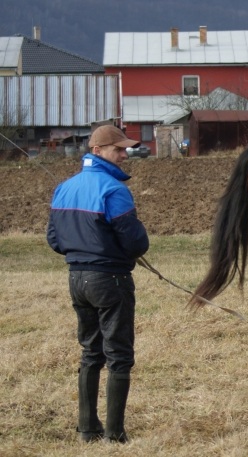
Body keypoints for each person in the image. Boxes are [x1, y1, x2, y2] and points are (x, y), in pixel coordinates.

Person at [47, 125, 149, 443]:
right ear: (97, 151)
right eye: (117, 150)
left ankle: (87, 430)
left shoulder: (64, 188)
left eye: (124, 149)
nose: (123, 155)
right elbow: (135, 242)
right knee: (119, 354)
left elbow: (54, 240)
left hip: (76, 278)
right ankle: (114, 434)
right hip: (110, 279)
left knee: (91, 352)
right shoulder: (115, 190)